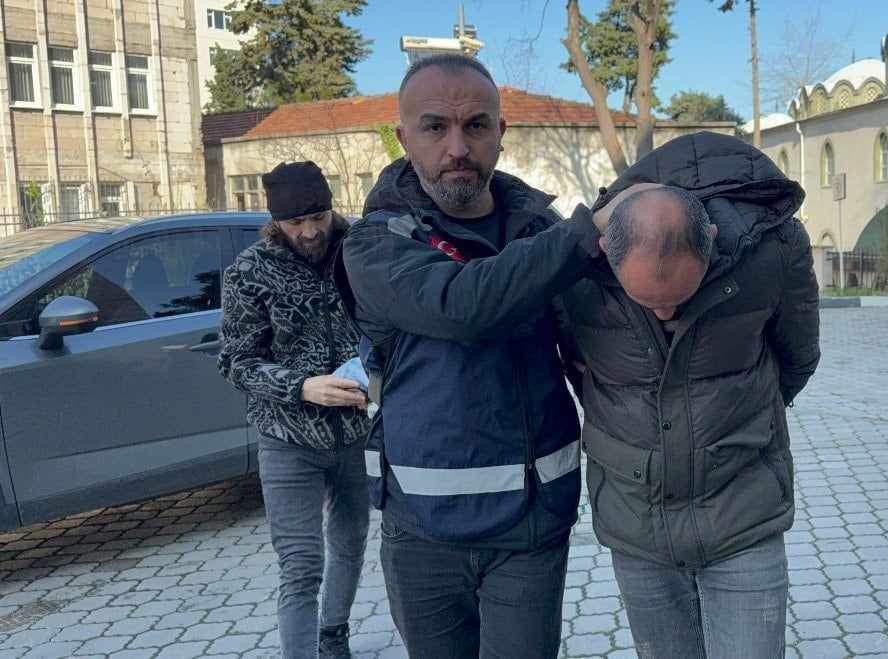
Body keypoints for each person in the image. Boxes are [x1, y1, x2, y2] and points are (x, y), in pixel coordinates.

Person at [336, 54, 603, 658]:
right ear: (404, 138)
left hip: (533, 523)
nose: (457, 147)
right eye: (435, 127)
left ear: (500, 133)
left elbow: (592, 349)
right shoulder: (375, 242)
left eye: (476, 125)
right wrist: (584, 235)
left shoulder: (542, 230)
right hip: (423, 532)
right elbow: (462, 306)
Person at [562, 132, 822, 658]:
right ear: (607, 253)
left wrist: (734, 419)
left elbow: (797, 357)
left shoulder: (773, 249)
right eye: (647, 302)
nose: (665, 313)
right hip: (636, 525)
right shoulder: (575, 265)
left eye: (679, 297)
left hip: (742, 514)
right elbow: (575, 363)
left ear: (714, 240)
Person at [218, 161, 370, 659]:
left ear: (332, 207)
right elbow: (235, 362)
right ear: (275, 220)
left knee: (351, 543)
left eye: (318, 217)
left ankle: (334, 633)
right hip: (287, 440)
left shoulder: (361, 250)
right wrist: (301, 387)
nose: (309, 232)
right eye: (295, 222)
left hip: (357, 432)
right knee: (301, 566)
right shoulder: (249, 271)